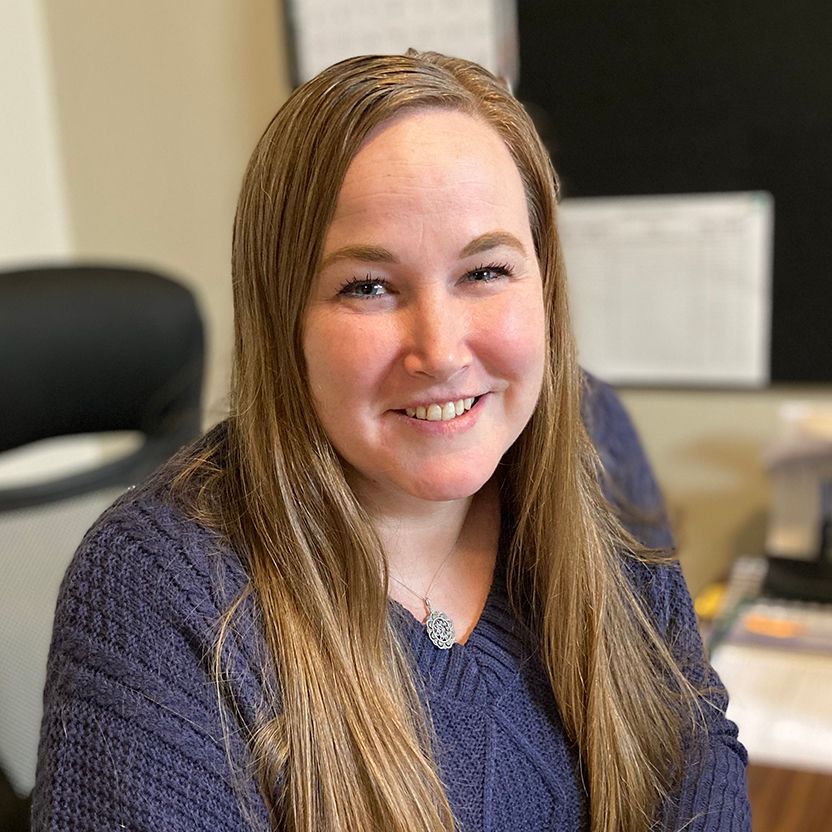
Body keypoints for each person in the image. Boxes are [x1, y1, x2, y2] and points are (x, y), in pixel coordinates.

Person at [32, 52, 749, 831]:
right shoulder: (160, 589)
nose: (439, 352)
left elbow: (691, 738)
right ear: (285, 321)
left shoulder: (593, 437)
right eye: (367, 287)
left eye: (485, 271)